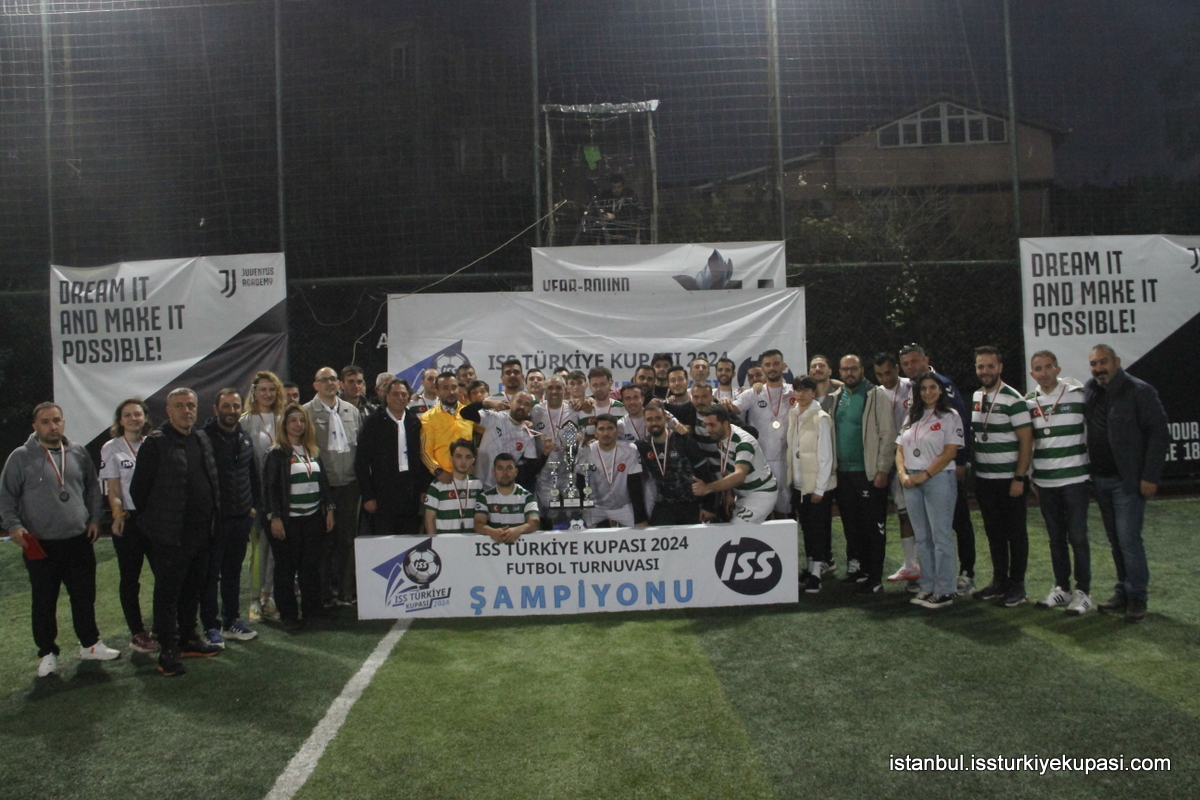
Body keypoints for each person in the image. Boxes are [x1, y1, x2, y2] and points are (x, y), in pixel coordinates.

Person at [2, 402, 119, 677]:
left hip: (78, 540)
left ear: (63, 422)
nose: (52, 426)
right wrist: (14, 527)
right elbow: (6, 497)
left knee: (84, 596)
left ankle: (89, 644)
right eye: (45, 422)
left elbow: (92, 488)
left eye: (56, 420)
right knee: (44, 601)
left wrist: (95, 519)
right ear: (35, 426)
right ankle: (47, 653)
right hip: (41, 543)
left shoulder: (77, 452)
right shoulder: (20, 457)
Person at [131, 388, 222, 675]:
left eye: (191, 405)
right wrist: (160, 523)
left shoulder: (201, 438)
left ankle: (188, 639)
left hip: (201, 531)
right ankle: (168, 649)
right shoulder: (155, 443)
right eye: (180, 406)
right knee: (168, 593)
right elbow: (138, 491)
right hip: (170, 535)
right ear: (168, 411)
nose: (187, 411)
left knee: (193, 589)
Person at [1084, 344, 1169, 624]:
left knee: (1129, 541)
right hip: (1101, 480)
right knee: (1116, 541)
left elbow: (1159, 434)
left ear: (1117, 361)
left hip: (1127, 482)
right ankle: (1123, 592)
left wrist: (1150, 476)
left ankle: (1137, 598)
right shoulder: (1091, 389)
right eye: (1094, 364)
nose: (1099, 368)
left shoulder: (1140, 391)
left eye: (1103, 362)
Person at [899, 344, 976, 594]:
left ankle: (963, 574)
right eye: (906, 364)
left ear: (926, 360)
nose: (910, 367)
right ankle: (929, 580)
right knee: (926, 533)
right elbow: (903, 441)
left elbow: (959, 425)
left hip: (943, 471)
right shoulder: (912, 392)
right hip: (916, 473)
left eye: (914, 361)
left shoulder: (943, 387)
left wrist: (961, 461)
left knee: (954, 524)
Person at [1025, 350, 1092, 615]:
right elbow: (1029, 442)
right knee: (1055, 538)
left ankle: (1084, 593)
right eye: (1038, 369)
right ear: (1032, 373)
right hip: (1045, 481)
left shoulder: (1078, 394)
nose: (1044, 373)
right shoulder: (1029, 402)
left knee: (1078, 537)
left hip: (1075, 479)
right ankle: (1062, 588)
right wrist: (1031, 475)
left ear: (1057, 369)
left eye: (1048, 367)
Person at [970, 346, 1034, 608]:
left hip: (1010, 479)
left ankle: (1017, 585)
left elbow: (1026, 440)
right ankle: (999, 581)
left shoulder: (1013, 398)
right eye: (980, 366)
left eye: (990, 366)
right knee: (994, 533)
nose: (985, 371)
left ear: (1000, 367)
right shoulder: (977, 395)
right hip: (985, 478)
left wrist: (1019, 477)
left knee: (1015, 534)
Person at [262, 403, 335, 631]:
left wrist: (329, 508)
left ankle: (312, 608)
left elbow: (323, 483)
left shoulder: (312, 450)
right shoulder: (276, 453)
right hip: (288, 520)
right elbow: (269, 489)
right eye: (293, 420)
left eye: (302, 420)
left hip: (313, 517)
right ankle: (289, 615)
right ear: (284, 424)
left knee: (310, 567)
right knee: (286, 569)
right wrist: (275, 518)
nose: (298, 425)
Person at [828, 354, 897, 593]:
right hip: (843, 473)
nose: (849, 373)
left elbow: (888, 435)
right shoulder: (836, 397)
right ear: (839, 372)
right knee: (851, 524)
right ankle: (858, 570)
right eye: (845, 369)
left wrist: (883, 469)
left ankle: (875, 576)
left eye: (853, 368)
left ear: (862, 370)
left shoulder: (876, 395)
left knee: (873, 527)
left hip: (868, 474)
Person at [199, 388, 262, 648]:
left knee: (233, 573)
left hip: (240, 519)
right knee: (210, 576)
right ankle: (210, 627)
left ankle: (231, 621)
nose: (232, 411)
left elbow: (252, 476)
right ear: (216, 409)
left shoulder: (244, 438)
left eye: (236, 406)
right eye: (226, 406)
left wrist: (253, 507)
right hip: (216, 521)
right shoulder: (204, 439)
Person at [895, 373, 964, 610]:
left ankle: (945, 589)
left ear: (940, 390)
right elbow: (899, 450)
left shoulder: (950, 416)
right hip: (911, 481)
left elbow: (950, 452)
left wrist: (924, 475)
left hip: (938, 479)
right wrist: (903, 474)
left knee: (941, 536)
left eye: (933, 387)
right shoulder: (911, 416)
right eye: (923, 389)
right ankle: (928, 585)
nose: (928, 392)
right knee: (922, 537)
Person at [99, 398, 157, 654]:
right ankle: (137, 632)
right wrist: (118, 515)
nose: (134, 419)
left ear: (145, 418)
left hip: (154, 520)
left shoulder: (153, 444)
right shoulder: (111, 447)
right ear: (120, 420)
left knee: (165, 575)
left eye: (138, 414)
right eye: (128, 415)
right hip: (129, 520)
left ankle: (162, 625)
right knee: (130, 579)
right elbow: (113, 489)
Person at [305, 366, 364, 608]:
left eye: (332, 379)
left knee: (348, 540)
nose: (329, 383)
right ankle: (324, 593)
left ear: (339, 383)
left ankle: (346, 592)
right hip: (323, 485)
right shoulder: (306, 412)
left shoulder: (351, 411)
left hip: (350, 484)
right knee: (323, 542)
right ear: (315, 385)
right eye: (324, 380)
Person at [356, 379, 429, 536]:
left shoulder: (414, 422)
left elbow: (422, 457)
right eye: (395, 394)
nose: (400, 398)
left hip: (410, 495)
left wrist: (423, 488)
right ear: (386, 396)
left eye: (403, 394)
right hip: (382, 495)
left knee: (409, 539)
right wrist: (368, 496)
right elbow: (361, 461)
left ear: (409, 397)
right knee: (384, 539)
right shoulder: (373, 422)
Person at [786, 377, 837, 594]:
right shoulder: (794, 414)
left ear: (813, 393)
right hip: (799, 484)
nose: (801, 394)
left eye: (805, 390)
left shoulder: (821, 418)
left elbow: (826, 456)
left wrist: (819, 488)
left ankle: (817, 572)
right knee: (806, 528)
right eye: (798, 390)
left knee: (817, 530)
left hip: (816, 486)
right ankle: (810, 568)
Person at [242, 370, 284, 622]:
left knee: (275, 549)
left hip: (279, 496)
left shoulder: (283, 419)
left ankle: (269, 597)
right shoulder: (245, 422)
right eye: (263, 390)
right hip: (256, 497)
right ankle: (254, 600)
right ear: (254, 393)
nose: (268, 394)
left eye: (272, 389)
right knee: (258, 550)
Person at [874, 353, 919, 587]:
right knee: (901, 513)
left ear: (897, 369)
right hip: (885, 460)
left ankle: (918, 566)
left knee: (912, 514)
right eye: (879, 374)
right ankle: (910, 565)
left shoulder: (912, 387)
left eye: (888, 373)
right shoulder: (876, 393)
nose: (885, 378)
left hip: (910, 459)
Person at [635, 400, 717, 525]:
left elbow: (705, 473)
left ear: (666, 418)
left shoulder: (684, 441)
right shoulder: (643, 446)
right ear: (644, 422)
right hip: (664, 504)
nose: (654, 423)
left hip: (692, 503)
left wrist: (709, 506)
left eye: (658, 418)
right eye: (649, 419)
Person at [693, 405, 779, 523]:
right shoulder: (722, 437)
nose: (708, 430)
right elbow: (728, 466)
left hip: (761, 492)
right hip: (742, 493)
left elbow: (739, 475)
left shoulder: (744, 442)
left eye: (712, 425)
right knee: (734, 526)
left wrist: (707, 488)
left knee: (738, 526)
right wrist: (729, 493)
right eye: (705, 425)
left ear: (725, 424)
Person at [732, 349, 792, 517]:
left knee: (786, 511)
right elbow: (732, 408)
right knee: (760, 511)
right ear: (763, 368)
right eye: (768, 365)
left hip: (787, 460)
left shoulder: (794, 392)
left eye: (776, 364)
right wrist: (723, 401)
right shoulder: (753, 393)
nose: (772, 368)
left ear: (784, 366)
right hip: (761, 461)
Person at [578, 414, 648, 528]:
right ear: (595, 432)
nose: (606, 433)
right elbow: (580, 482)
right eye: (601, 429)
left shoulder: (630, 450)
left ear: (617, 431)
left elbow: (635, 485)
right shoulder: (586, 451)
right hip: (595, 506)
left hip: (623, 506)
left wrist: (640, 518)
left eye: (610, 428)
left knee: (641, 532)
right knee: (581, 532)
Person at [461, 391, 538, 489]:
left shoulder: (528, 434)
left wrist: (545, 454)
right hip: (479, 484)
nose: (522, 406)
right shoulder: (495, 417)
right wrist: (485, 403)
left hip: (503, 488)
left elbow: (530, 468)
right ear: (511, 402)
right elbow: (465, 413)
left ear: (530, 409)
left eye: (526, 404)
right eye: (519, 401)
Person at [531, 375, 581, 525]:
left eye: (558, 387)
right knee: (548, 516)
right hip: (545, 474)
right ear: (544, 389)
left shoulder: (574, 409)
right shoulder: (535, 411)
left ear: (565, 389)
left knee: (571, 516)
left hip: (568, 473)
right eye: (550, 388)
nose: (554, 391)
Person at [474, 453, 541, 543]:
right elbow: (478, 523)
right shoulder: (484, 498)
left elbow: (535, 523)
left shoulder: (527, 497)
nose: (505, 473)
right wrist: (492, 532)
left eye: (509, 468)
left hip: (521, 549)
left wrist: (517, 531)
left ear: (516, 472)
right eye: (500, 468)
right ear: (494, 472)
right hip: (492, 549)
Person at [420, 371, 474, 481]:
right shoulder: (428, 418)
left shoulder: (469, 412)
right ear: (437, 391)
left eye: (454, 387)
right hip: (442, 479)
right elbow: (425, 452)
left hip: (468, 479)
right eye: (445, 388)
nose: (451, 392)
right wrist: (437, 471)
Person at [425, 439, 483, 534]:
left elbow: (481, 516)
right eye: (458, 456)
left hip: (470, 540)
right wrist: (433, 541)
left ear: (473, 461)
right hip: (444, 541)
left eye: (468, 457)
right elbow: (429, 519)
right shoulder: (438, 486)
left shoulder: (477, 485)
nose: (463, 461)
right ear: (451, 459)